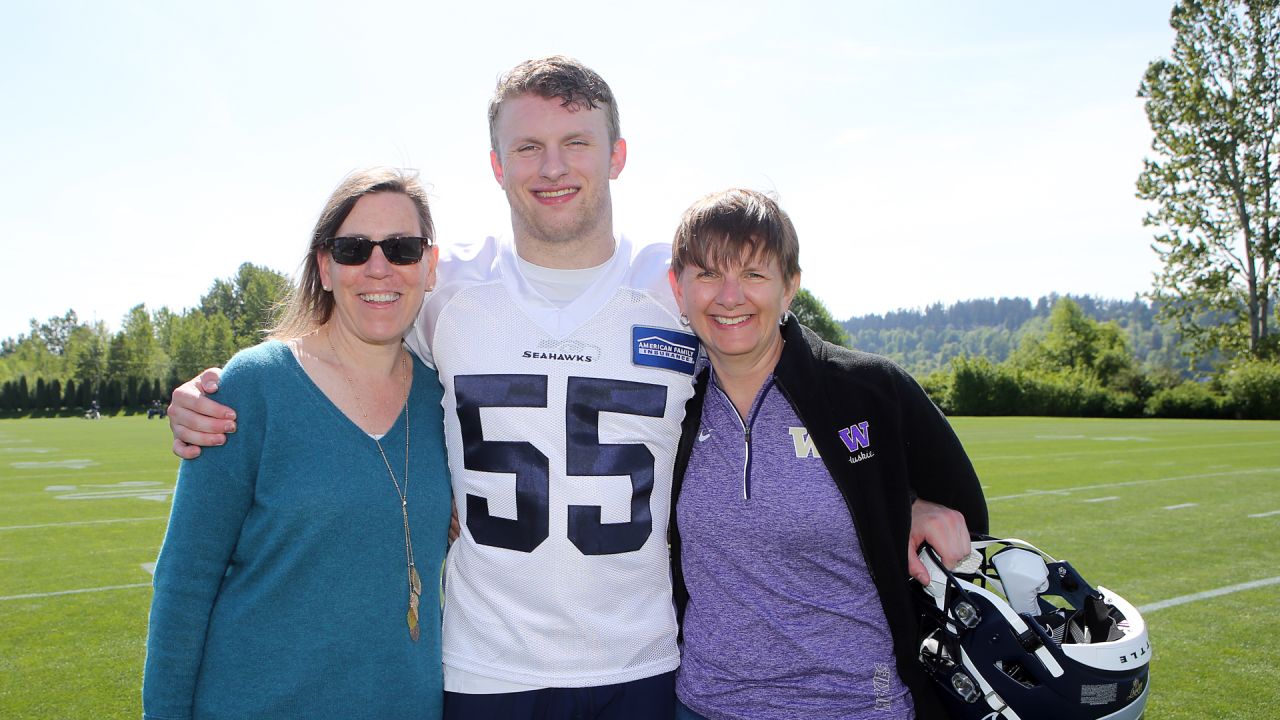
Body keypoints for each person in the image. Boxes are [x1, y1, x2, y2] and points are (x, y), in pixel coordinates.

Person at [165, 57, 974, 720]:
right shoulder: (446, 292)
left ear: (616, 154)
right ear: (495, 166)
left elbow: (796, 372)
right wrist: (219, 386)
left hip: (645, 663)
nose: (552, 168)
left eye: (576, 142)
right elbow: (340, 345)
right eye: (528, 147)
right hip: (484, 668)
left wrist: (899, 494)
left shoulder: (679, 290)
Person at [665, 189, 989, 720]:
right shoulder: (669, 401)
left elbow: (964, 520)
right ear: (679, 288)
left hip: (860, 705)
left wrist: (912, 504)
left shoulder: (869, 390)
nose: (729, 296)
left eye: (753, 274)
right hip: (704, 706)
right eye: (706, 274)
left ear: (790, 286)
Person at [143, 168, 452, 719]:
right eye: (354, 249)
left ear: (429, 267)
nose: (378, 267)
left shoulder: (445, 399)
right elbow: (185, 581)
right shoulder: (253, 386)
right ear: (325, 268)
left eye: (402, 248)